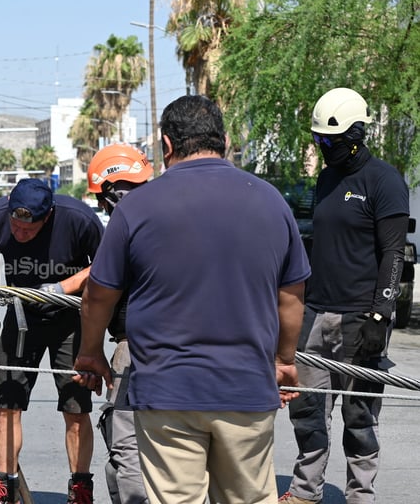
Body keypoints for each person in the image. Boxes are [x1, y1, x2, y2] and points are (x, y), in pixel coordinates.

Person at [73, 94, 311, 504]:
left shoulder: (137, 208)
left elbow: (98, 296)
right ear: (226, 140)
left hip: (167, 394)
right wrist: (284, 360)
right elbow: (292, 296)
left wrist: (90, 352)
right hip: (247, 389)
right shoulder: (271, 201)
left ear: (166, 146)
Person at [280, 87, 410, 504]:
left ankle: (360, 495)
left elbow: (394, 252)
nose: (323, 147)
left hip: (360, 316)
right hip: (316, 312)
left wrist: (380, 315)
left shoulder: (385, 180)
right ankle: (305, 491)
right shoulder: (326, 178)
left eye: (329, 141)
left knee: (359, 416)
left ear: (356, 134)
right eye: (319, 140)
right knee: (307, 408)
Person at [0, 177, 104, 504]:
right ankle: (6, 482)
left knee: (76, 409)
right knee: (7, 404)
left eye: (27, 231)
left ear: (47, 217)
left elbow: (107, 265)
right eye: (15, 227)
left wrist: (64, 286)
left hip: (70, 319)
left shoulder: (79, 220)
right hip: (20, 318)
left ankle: (80, 486)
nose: (19, 234)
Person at [86, 144, 152, 504]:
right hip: (194, 348)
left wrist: (90, 352)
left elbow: (97, 293)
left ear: (115, 191)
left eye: (102, 199)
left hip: (136, 347)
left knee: (126, 445)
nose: (101, 208)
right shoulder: (174, 214)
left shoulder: (124, 228)